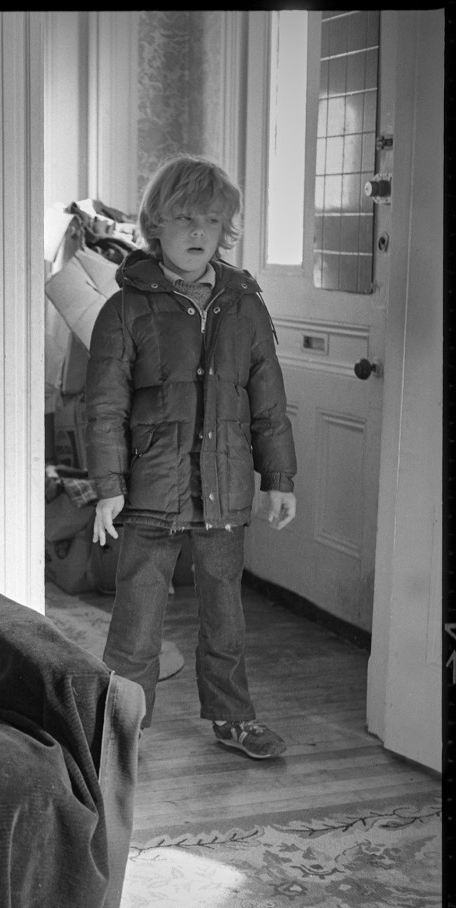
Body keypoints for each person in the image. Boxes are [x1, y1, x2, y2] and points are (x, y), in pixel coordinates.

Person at [86, 154, 296, 760]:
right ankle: (120, 727)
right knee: (137, 618)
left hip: (225, 490)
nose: (198, 231)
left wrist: (278, 476)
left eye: (210, 219)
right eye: (183, 218)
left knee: (225, 615)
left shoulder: (246, 306)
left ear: (225, 228)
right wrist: (108, 486)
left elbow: (268, 400)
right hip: (151, 493)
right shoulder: (125, 309)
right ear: (156, 224)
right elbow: (104, 407)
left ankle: (233, 718)